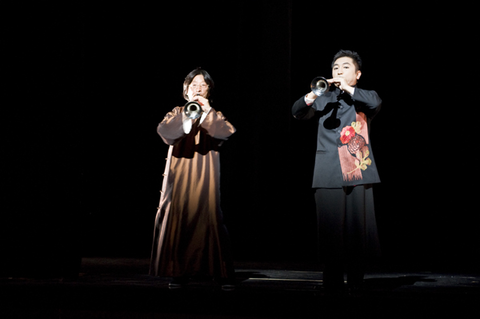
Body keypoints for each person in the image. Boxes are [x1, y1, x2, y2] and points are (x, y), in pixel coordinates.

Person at [292, 50, 382, 293]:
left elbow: (375, 103)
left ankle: (356, 282)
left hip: (357, 168)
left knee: (356, 231)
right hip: (328, 170)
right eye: (335, 68)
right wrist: (313, 94)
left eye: (345, 67)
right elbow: (298, 111)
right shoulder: (323, 97)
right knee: (331, 232)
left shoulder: (364, 97)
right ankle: (331, 284)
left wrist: (348, 89)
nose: (339, 71)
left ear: (357, 74)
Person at [150, 68, 236, 290]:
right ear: (186, 90)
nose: (198, 88)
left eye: (203, 84)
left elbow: (225, 132)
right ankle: (178, 273)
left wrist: (207, 113)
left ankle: (220, 272)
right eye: (193, 84)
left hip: (205, 174)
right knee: (179, 217)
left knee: (210, 217)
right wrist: (186, 116)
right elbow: (165, 133)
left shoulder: (213, 112)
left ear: (209, 90)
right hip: (179, 174)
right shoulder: (177, 111)